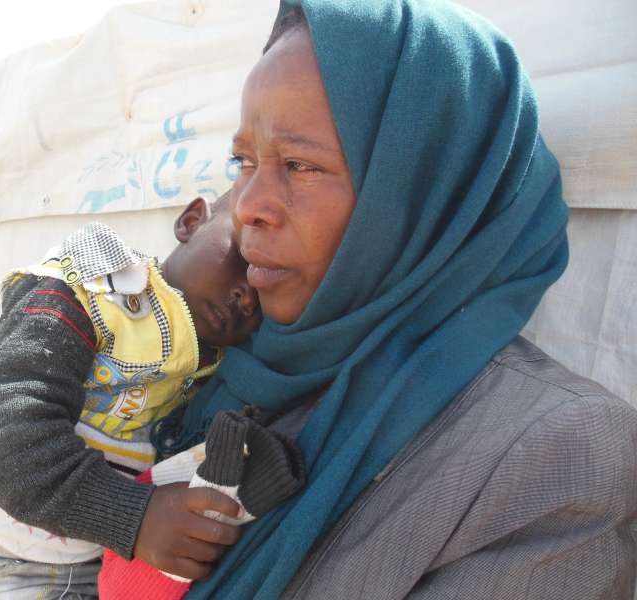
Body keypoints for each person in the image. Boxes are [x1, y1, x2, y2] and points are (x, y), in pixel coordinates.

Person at [153, 1, 637, 598]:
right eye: (244, 161)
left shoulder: (554, 456)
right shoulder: (224, 359)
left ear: (424, 186)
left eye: (300, 165)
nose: (249, 204)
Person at [0, 194, 282, 598]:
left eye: (268, 288)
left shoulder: (223, 366)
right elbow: (0, 431)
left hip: (112, 563)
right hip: (22, 560)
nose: (247, 297)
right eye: (243, 256)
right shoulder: (88, 292)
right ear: (191, 221)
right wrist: (136, 517)